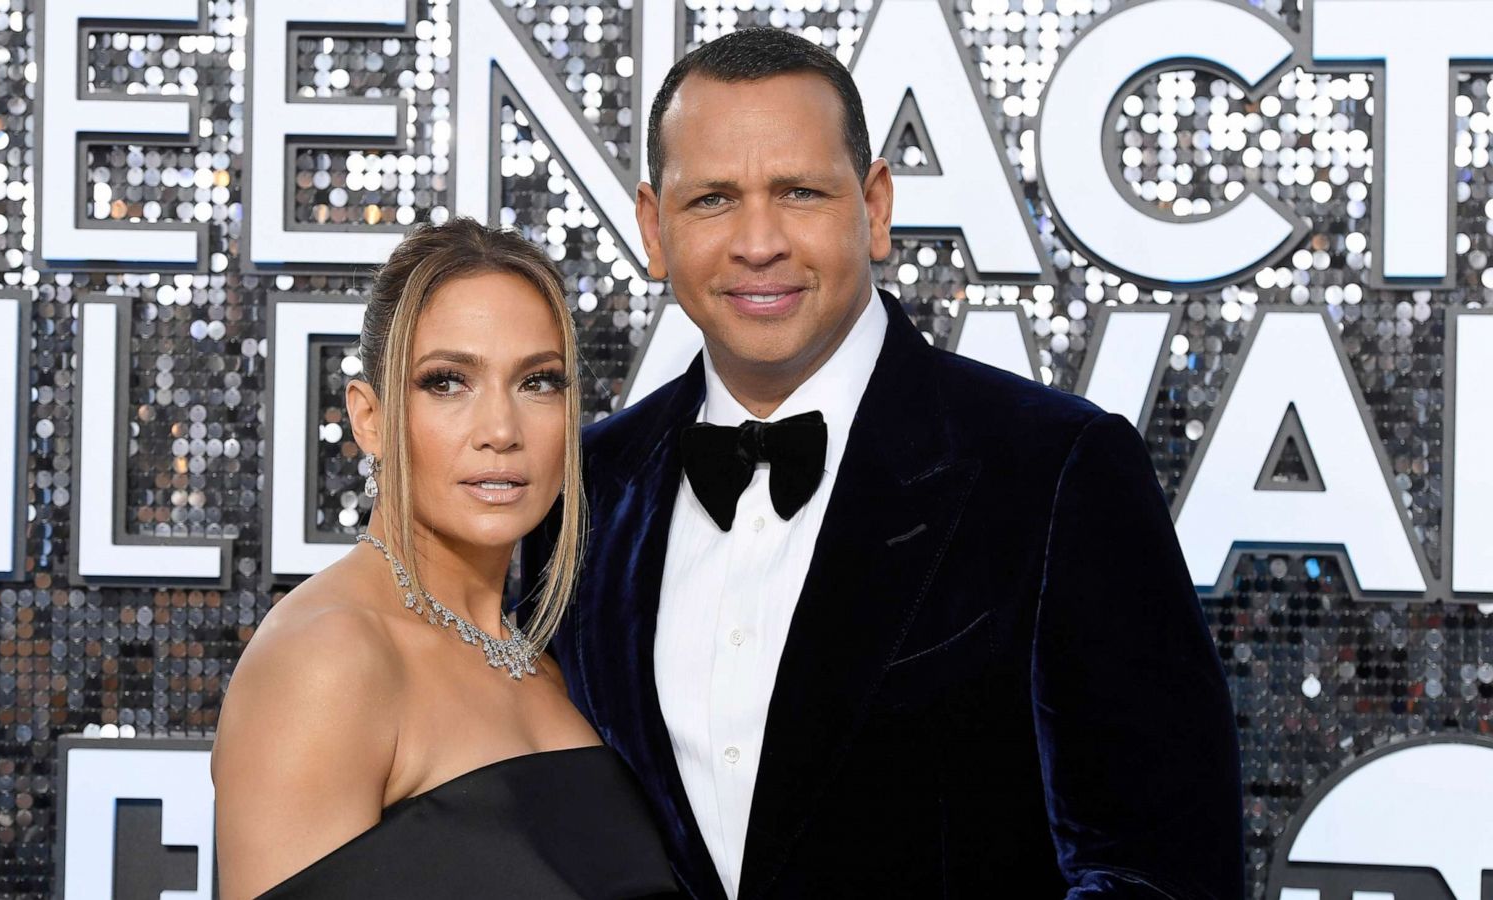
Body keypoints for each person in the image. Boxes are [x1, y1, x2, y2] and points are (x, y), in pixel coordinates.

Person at [521, 27, 1245, 900]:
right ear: (654, 227)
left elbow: (1161, 873)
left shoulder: (1056, 470)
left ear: (873, 208)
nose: (758, 242)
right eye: (712, 199)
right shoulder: (580, 494)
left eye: (798, 191)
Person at [211, 218, 682, 899]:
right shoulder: (329, 659)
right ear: (369, 418)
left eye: (538, 382)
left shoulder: (548, 662)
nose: (500, 431)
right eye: (447, 382)